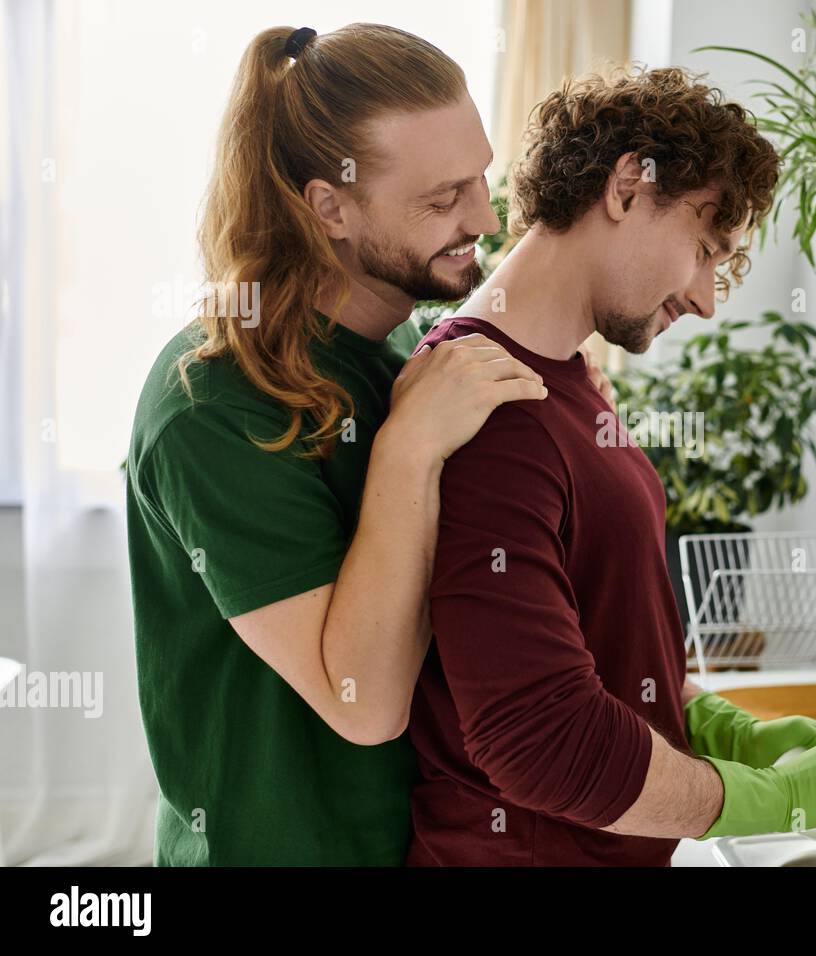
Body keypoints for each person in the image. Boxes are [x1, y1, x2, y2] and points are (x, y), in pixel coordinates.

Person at [406, 67, 816, 866]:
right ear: (626, 187)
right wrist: (781, 799)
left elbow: (600, 646)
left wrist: (726, 729)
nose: (710, 298)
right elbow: (539, 740)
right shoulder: (484, 405)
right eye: (706, 247)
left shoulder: (561, 375)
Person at [125, 23, 552, 865]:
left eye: (483, 178)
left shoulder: (404, 351)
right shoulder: (211, 404)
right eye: (441, 199)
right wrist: (407, 449)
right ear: (331, 208)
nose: (486, 217)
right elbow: (366, 705)